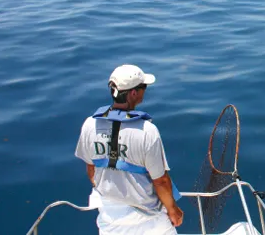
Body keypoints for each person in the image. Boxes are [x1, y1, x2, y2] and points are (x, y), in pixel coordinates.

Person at [75, 64, 184, 235]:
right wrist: (172, 210)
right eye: (143, 88)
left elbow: (91, 170)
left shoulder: (89, 124)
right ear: (134, 93)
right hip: (149, 219)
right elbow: (160, 181)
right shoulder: (147, 131)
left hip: (109, 218)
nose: (144, 92)